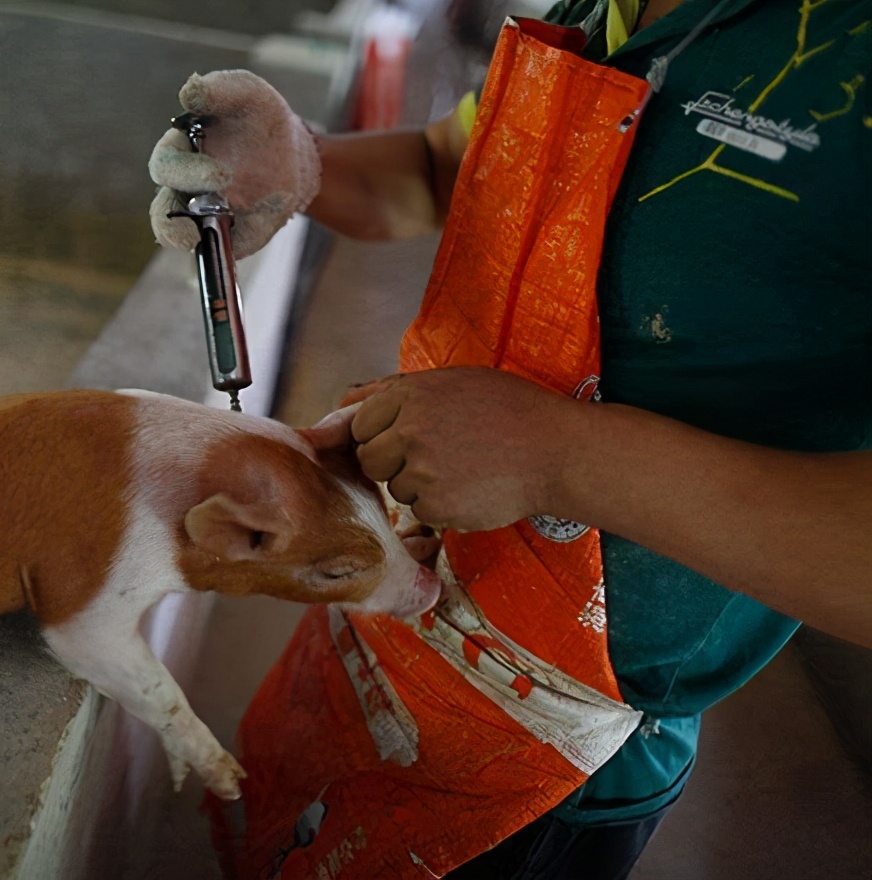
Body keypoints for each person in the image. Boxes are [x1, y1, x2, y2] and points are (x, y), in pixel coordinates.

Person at [150, 0, 870, 877]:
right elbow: (441, 167)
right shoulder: (602, 12)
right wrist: (303, 163)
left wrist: (561, 458)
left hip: (560, 735)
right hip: (409, 609)